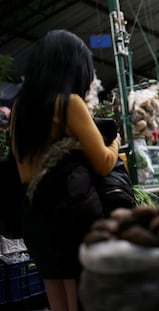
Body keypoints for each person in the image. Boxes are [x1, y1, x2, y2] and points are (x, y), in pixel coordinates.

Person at [10, 30, 121, 311]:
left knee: (54, 289)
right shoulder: (69, 103)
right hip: (70, 212)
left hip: (33, 215)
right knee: (81, 298)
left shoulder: (20, 107)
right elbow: (104, 162)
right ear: (74, 67)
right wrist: (115, 141)